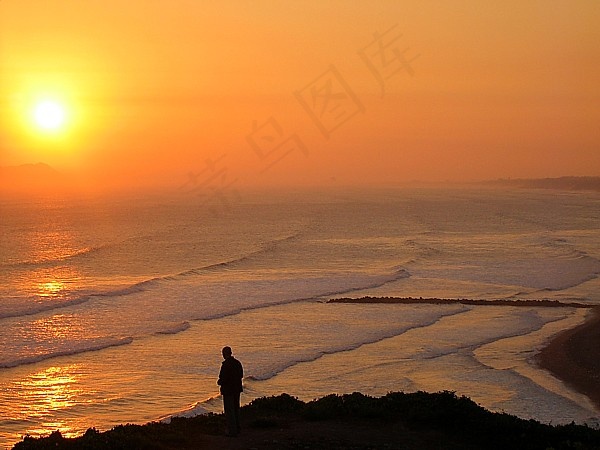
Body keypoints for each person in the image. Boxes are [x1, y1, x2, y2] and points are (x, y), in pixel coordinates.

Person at [217, 346, 244, 437]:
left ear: (224, 354)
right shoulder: (237, 363)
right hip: (237, 389)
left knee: (229, 410)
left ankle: (232, 431)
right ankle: (237, 428)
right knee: (236, 409)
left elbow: (223, 378)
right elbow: (241, 375)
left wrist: (220, 382)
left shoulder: (225, 365)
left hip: (228, 390)